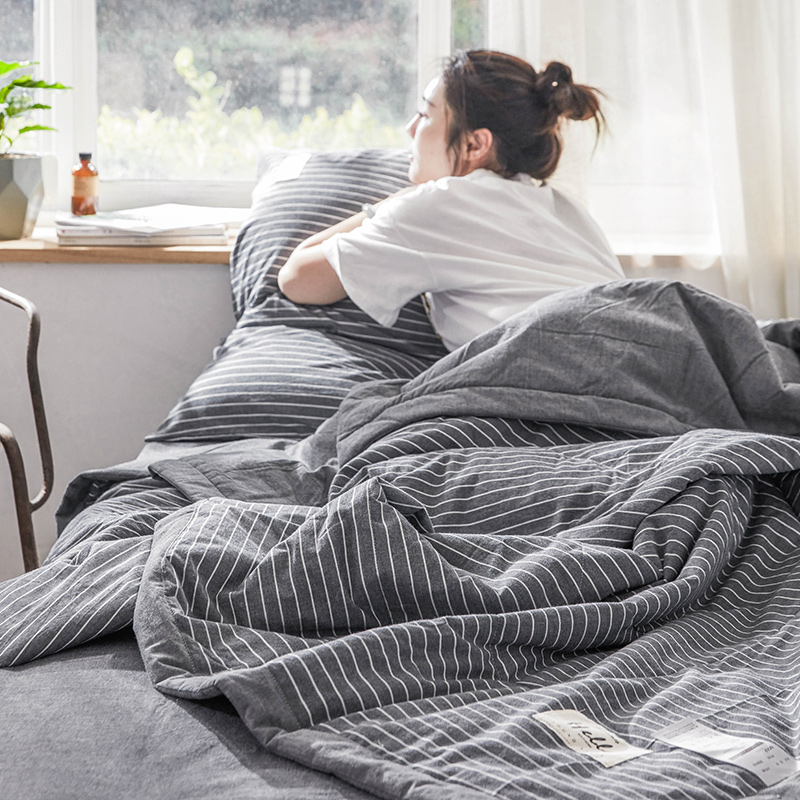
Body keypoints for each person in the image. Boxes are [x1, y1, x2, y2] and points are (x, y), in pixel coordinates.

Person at [277, 49, 624, 352]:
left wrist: (392, 203)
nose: (410, 129)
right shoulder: (569, 209)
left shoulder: (440, 203)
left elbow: (296, 278)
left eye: (426, 115)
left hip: (553, 370)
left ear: (475, 145)